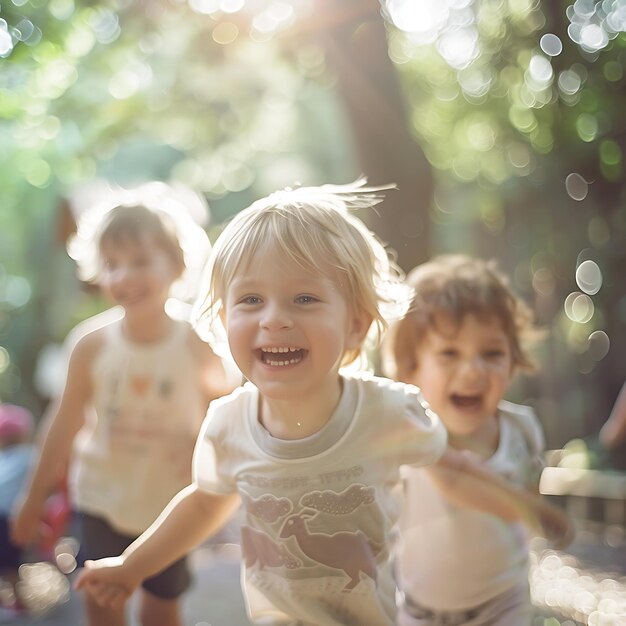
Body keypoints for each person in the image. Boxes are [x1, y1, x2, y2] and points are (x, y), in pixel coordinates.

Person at [74, 181, 571, 626]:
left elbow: (454, 471)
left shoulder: (387, 412)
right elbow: (204, 501)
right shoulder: (228, 423)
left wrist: (523, 506)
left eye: (305, 299)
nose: (274, 319)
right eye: (251, 300)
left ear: (355, 323)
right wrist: (131, 565)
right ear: (224, 320)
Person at [10, 183, 238, 626]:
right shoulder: (91, 345)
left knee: (161, 608)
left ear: (176, 265)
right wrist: (32, 497)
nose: (124, 277)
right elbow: (64, 422)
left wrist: (205, 456)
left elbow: (228, 411)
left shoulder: (198, 342)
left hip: (169, 507)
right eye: (112, 265)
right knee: (101, 599)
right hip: (100, 498)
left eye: (139, 262)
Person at [382, 254, 573, 626]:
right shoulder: (414, 433)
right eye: (449, 353)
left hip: (503, 600)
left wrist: (537, 506)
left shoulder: (522, 429)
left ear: (514, 361)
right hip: (422, 606)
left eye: (492, 353)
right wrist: (533, 511)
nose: (472, 371)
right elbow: (455, 481)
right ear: (410, 370)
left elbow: (533, 489)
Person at [0, 404, 35, 612]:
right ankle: (19, 601)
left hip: (5, 514)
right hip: (9, 517)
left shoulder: (4, 459)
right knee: (11, 563)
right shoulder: (29, 456)